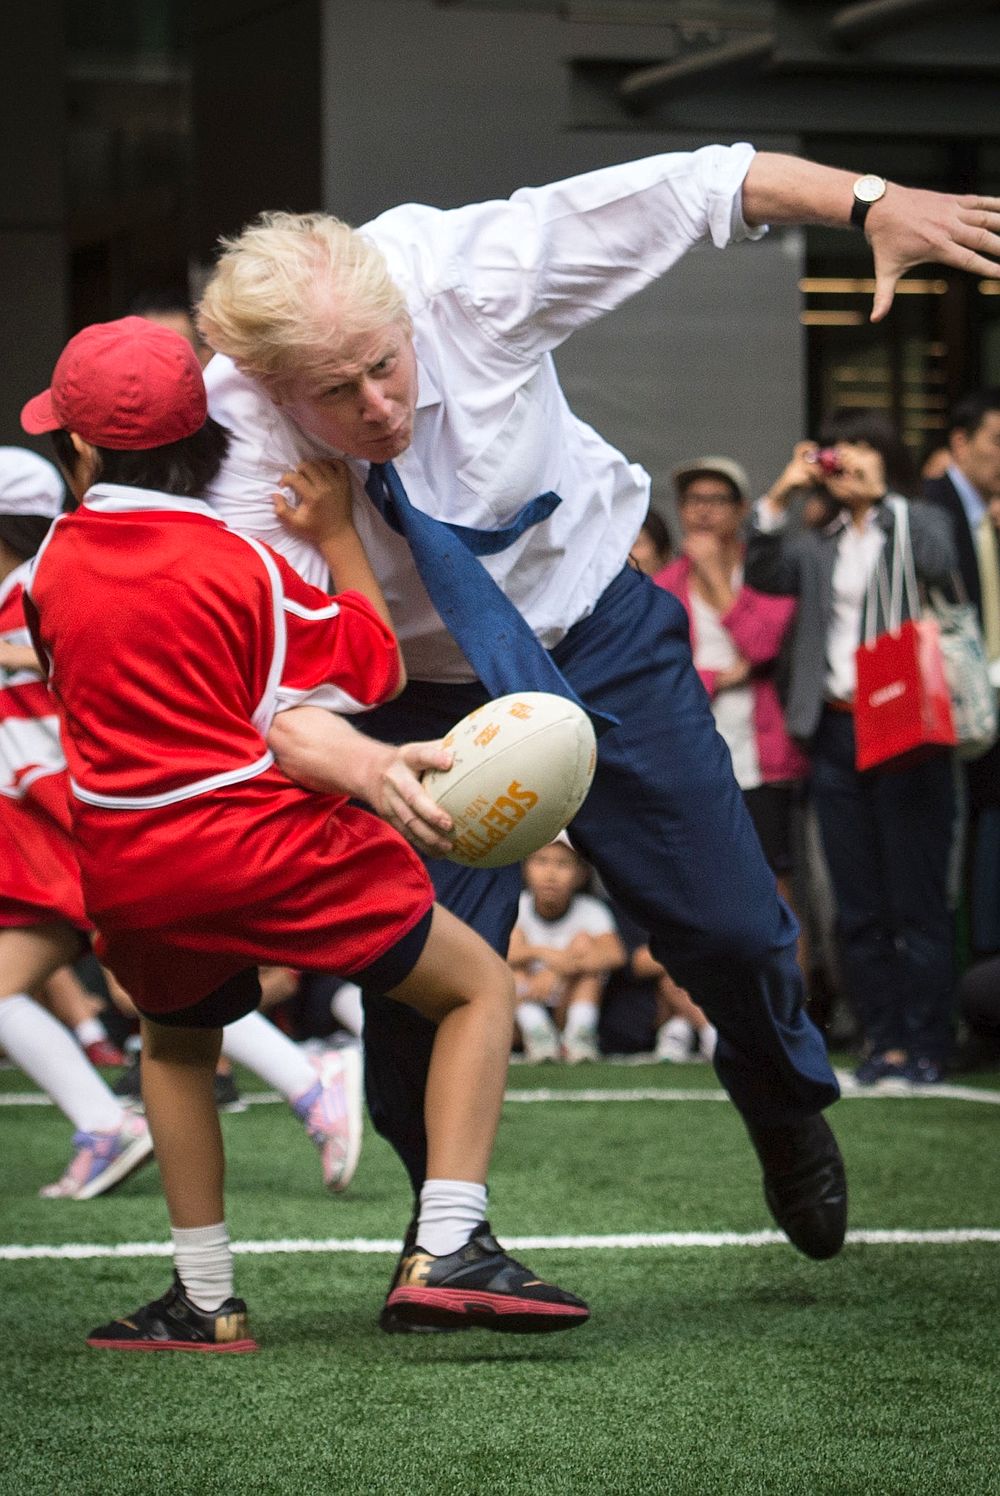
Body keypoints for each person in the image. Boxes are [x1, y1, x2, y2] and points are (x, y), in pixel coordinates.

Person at [193, 149, 1000, 1294]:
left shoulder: (475, 274)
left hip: (594, 632)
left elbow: (697, 185)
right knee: (415, 990)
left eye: (384, 366)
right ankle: (447, 1231)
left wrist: (869, 202)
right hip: (411, 696)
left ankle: (778, 1100)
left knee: (731, 926)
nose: (378, 406)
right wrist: (374, 769)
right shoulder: (240, 438)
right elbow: (275, 694)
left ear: (404, 313)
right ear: (271, 386)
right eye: (336, 392)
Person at [22, 317, 588, 1350]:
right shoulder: (237, 561)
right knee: (477, 984)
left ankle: (203, 1299)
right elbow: (374, 666)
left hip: (124, 861)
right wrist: (334, 536)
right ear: (206, 434)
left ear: (84, 452)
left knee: (178, 1044)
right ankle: (450, 1240)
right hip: (254, 841)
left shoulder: (49, 562)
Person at [746, 412, 959, 1086]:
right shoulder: (817, 540)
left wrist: (885, 501)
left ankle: (927, 1042)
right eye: (844, 450)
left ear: (888, 457)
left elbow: (940, 565)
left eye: (866, 446)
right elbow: (764, 569)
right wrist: (782, 494)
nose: (852, 460)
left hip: (909, 724)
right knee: (856, 901)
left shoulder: (918, 520)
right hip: (837, 728)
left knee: (915, 897)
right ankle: (882, 1040)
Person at [0, 445, 154, 1200]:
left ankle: (105, 1121)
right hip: (47, 812)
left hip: (72, 812)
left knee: (162, 971)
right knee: (155, 970)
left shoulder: (35, 584)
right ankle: (304, 1079)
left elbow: (90, 651)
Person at [923, 390, 1000, 961]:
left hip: (991, 709)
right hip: (946, 710)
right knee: (951, 855)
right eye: (997, 443)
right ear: (959, 443)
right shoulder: (929, 512)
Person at [508, 836, 625, 1063]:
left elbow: (615, 954)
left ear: (581, 874)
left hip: (567, 1003)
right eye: (541, 861)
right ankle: (538, 1033)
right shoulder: (516, 906)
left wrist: (558, 971)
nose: (550, 874)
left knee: (584, 944)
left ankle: (580, 1035)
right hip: (521, 1008)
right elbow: (499, 951)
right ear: (525, 868)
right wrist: (542, 953)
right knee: (512, 955)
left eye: (562, 864)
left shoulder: (591, 910)